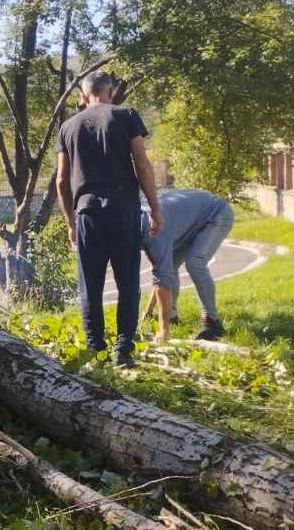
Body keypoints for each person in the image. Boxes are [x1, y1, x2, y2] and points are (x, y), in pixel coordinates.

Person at [56, 71, 164, 368]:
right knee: (127, 280)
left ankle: (95, 349)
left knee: (90, 283)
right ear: (110, 91)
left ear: (83, 95)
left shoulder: (68, 126)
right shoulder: (126, 115)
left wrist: (70, 222)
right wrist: (155, 209)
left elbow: (62, 180)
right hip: (122, 208)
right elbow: (142, 165)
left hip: (87, 211)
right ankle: (123, 351)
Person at [141, 189, 234, 342]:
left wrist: (163, 331)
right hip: (190, 223)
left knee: (195, 263)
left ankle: (212, 321)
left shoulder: (153, 229)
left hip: (215, 213)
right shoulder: (133, 222)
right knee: (169, 266)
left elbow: (162, 278)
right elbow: (162, 272)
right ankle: (171, 317)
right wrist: (148, 311)